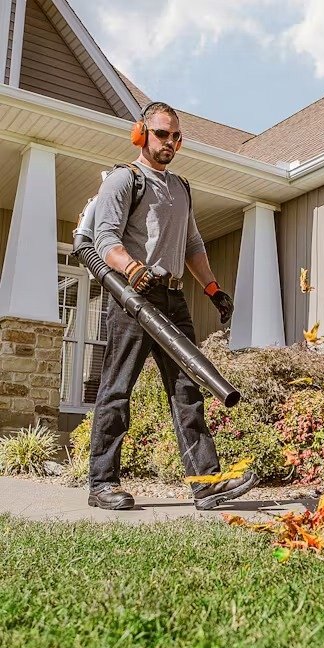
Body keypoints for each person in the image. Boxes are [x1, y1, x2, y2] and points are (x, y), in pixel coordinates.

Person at [88, 101, 258, 511]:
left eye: (176, 136)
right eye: (162, 134)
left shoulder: (181, 186)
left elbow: (193, 245)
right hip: (134, 298)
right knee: (117, 390)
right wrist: (132, 269)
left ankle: (205, 484)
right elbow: (104, 239)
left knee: (188, 390)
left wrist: (214, 288)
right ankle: (101, 483)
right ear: (141, 134)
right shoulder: (123, 180)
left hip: (173, 296)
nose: (170, 143)